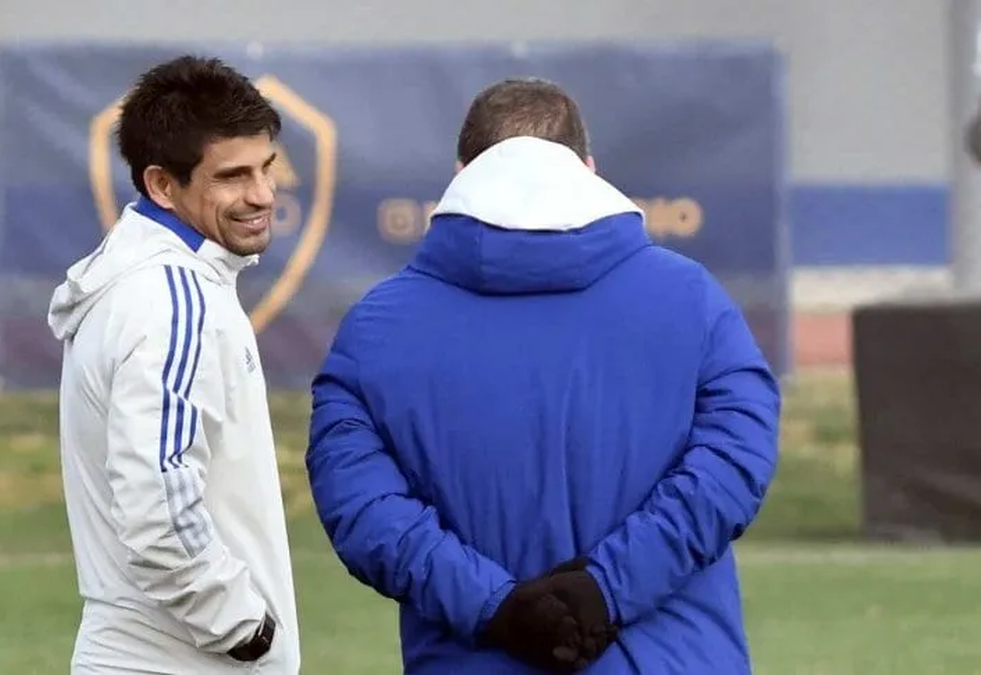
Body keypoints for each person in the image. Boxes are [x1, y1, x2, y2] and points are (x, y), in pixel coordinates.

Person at [305, 77, 781, 674]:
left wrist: (497, 609)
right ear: (588, 169)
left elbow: (364, 508)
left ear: (461, 175)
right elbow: (732, 464)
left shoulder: (374, 329)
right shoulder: (695, 301)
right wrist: (603, 590)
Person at [46, 55, 300, 675]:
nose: (262, 195)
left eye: (266, 168)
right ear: (162, 185)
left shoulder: (155, 282)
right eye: (233, 176)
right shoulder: (171, 300)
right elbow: (157, 500)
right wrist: (246, 629)